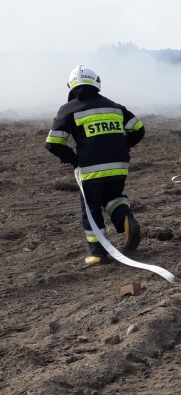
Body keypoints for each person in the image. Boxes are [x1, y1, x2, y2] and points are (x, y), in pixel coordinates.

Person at [45, 65, 144, 265]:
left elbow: (53, 143)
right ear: (96, 82)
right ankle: (127, 220)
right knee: (113, 197)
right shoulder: (114, 105)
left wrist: (73, 160)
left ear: (71, 86)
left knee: (90, 208)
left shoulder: (69, 109)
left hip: (91, 169)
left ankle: (98, 253)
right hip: (119, 165)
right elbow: (139, 129)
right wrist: (121, 146)